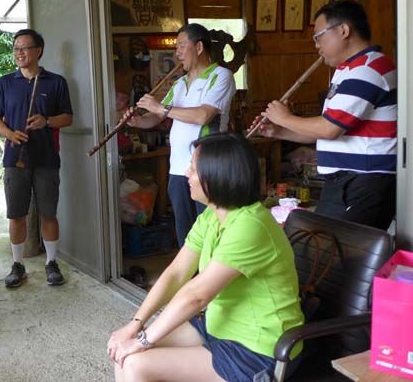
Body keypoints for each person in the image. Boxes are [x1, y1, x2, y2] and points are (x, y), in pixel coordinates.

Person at [107, 133, 304, 382]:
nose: (186, 174)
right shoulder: (211, 216)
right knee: (124, 353)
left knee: (136, 363)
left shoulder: (251, 225)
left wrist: (144, 340)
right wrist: (136, 325)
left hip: (258, 348)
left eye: (193, 168)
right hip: (218, 325)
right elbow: (176, 274)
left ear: (217, 175)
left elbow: (197, 295)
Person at [257, 0, 396, 231]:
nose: (316, 45)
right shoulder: (349, 70)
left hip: (364, 182)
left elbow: (330, 128)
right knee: (320, 246)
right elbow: (324, 131)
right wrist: (279, 130)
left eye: (319, 36)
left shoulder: (368, 69)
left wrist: (284, 117)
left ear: (343, 30)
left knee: (336, 248)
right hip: (346, 182)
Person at [128, 23, 235, 247]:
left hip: (207, 169)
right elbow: (155, 118)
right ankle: (189, 270)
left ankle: (211, 270)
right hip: (178, 170)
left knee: (210, 233)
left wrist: (160, 107)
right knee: (186, 236)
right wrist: (136, 121)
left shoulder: (221, 76)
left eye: (181, 46)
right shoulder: (179, 84)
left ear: (199, 47)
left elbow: (203, 116)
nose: (177, 53)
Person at [0, 28, 73, 288]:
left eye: (24, 48)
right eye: (16, 48)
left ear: (38, 51)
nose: (19, 53)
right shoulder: (5, 83)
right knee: (16, 214)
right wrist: (10, 134)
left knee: (48, 213)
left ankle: (51, 262)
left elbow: (67, 118)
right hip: (15, 159)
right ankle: (17, 264)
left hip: (46, 158)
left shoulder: (56, 82)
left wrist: (46, 121)